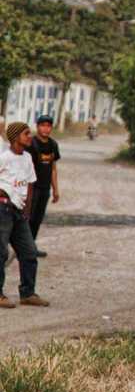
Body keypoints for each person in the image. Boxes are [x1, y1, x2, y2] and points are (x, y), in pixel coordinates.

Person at [0, 122, 49, 307]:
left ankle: (27, 293)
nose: (30, 136)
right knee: (1, 253)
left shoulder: (27, 157)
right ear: (15, 137)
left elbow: (30, 184)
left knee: (29, 252)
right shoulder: (4, 158)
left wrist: (27, 210)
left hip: (19, 213)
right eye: (26, 133)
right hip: (3, 210)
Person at [28, 115, 60, 257]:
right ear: (37, 126)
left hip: (45, 188)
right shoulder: (31, 144)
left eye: (48, 126)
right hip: (32, 188)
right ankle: (25, 246)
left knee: (37, 219)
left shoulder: (53, 145)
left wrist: (55, 189)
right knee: (28, 217)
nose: (46, 129)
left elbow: (53, 168)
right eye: (43, 125)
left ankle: (31, 245)